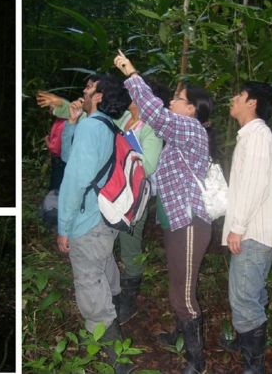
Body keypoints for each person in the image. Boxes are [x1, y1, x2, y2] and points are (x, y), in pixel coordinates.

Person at [38, 76, 169, 324]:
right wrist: (72, 121)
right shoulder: (118, 119)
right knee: (105, 252)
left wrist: (122, 144)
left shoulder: (151, 127)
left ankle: (128, 300)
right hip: (107, 198)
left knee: (129, 250)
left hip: (131, 199)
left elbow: (148, 166)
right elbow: (82, 146)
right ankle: (114, 300)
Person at [114, 50, 213, 374]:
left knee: (183, 294)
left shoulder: (191, 129)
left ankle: (196, 363)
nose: (172, 100)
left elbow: (157, 116)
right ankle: (179, 335)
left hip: (189, 223)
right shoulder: (176, 142)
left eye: (178, 98)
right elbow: (153, 179)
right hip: (175, 223)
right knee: (178, 286)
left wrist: (132, 75)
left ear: (192, 109)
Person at [57, 74, 133, 373]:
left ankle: (119, 365)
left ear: (99, 96)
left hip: (88, 220)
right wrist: (72, 123)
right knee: (103, 270)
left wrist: (64, 227)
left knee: (90, 289)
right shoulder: (104, 126)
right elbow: (69, 157)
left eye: (89, 87)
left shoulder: (94, 126)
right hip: (106, 216)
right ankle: (116, 323)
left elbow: (74, 180)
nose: (84, 90)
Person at [219, 82, 272, 374]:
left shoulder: (257, 135)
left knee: (244, 298)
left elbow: (254, 186)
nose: (233, 98)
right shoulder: (252, 135)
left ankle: (253, 366)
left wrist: (238, 227)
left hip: (252, 232)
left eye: (240, 95)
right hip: (256, 230)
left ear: (252, 103)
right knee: (252, 293)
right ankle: (246, 345)